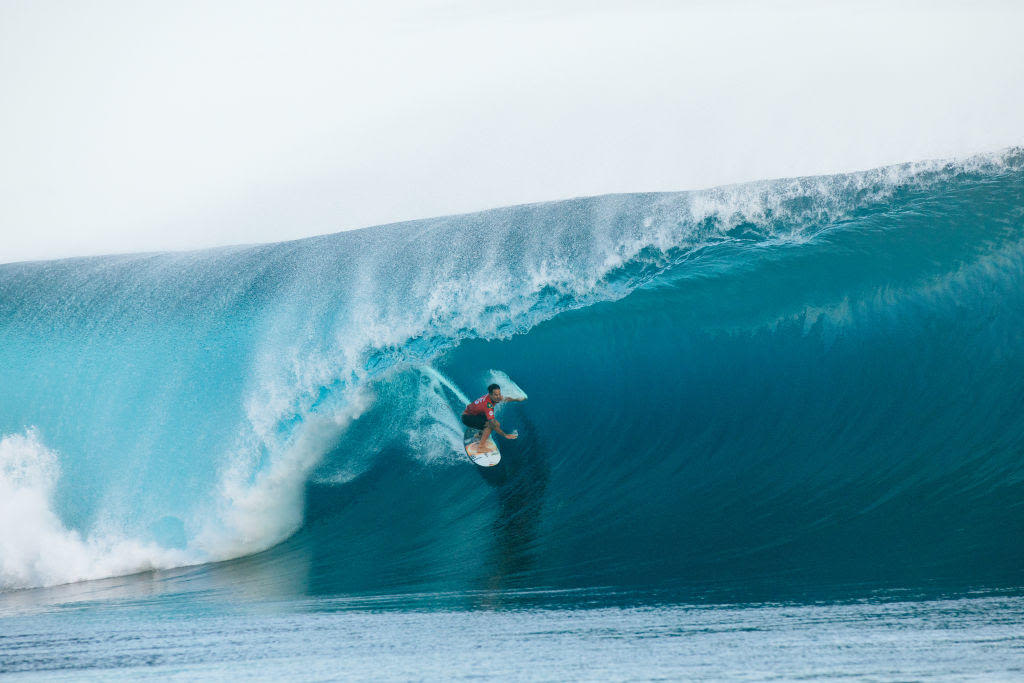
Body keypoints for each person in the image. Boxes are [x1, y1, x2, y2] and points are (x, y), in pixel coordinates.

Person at [461, 383, 524, 453]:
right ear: (490, 395)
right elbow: (492, 424)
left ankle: (479, 435)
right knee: (491, 425)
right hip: (467, 418)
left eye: (499, 394)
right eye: (496, 395)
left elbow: (505, 398)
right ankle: (480, 447)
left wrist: (517, 399)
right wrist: (505, 435)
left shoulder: (493, 398)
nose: (498, 396)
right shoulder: (488, 405)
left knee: (496, 424)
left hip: (475, 414)